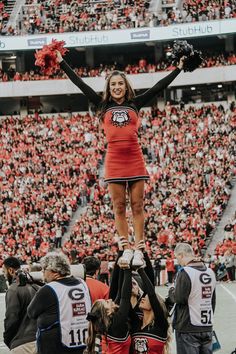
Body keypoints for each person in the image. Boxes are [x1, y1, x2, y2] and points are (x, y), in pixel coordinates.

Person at [55, 50, 186, 267]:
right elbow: (79, 83)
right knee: (118, 206)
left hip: (135, 158)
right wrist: (61, 62)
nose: (117, 87)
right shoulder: (102, 104)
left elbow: (159, 87)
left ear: (126, 87)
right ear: (109, 88)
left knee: (137, 205)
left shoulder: (136, 103)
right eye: (113, 84)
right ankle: (125, 247)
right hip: (114, 159)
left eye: (120, 84)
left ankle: (139, 246)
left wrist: (179, 68)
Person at [27, 252, 91, 354]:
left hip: (55, 346)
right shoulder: (82, 284)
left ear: (56, 272)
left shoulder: (48, 289)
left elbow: (31, 312)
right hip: (82, 344)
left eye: (44, 270)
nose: (42, 273)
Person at [168, 243, 216, 354]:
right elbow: (212, 301)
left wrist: (171, 290)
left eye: (177, 258)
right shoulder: (210, 272)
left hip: (188, 327)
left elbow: (179, 298)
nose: (178, 261)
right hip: (206, 326)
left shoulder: (185, 272)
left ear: (181, 255)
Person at [84, 263, 132, 354]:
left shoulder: (101, 329)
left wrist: (120, 266)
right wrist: (127, 270)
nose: (109, 299)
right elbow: (125, 296)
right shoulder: (116, 324)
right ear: (107, 312)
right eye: (106, 302)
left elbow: (118, 291)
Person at [130, 256, 171, 354]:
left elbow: (151, 292)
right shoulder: (136, 324)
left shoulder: (160, 325)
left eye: (146, 297)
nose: (143, 298)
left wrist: (141, 270)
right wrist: (126, 270)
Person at [3, 256, 40, 354]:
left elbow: (11, 318)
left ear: (10, 270)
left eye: (4, 271)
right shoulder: (36, 286)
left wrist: (8, 339)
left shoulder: (13, 289)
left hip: (23, 344)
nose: (4, 275)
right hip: (40, 340)